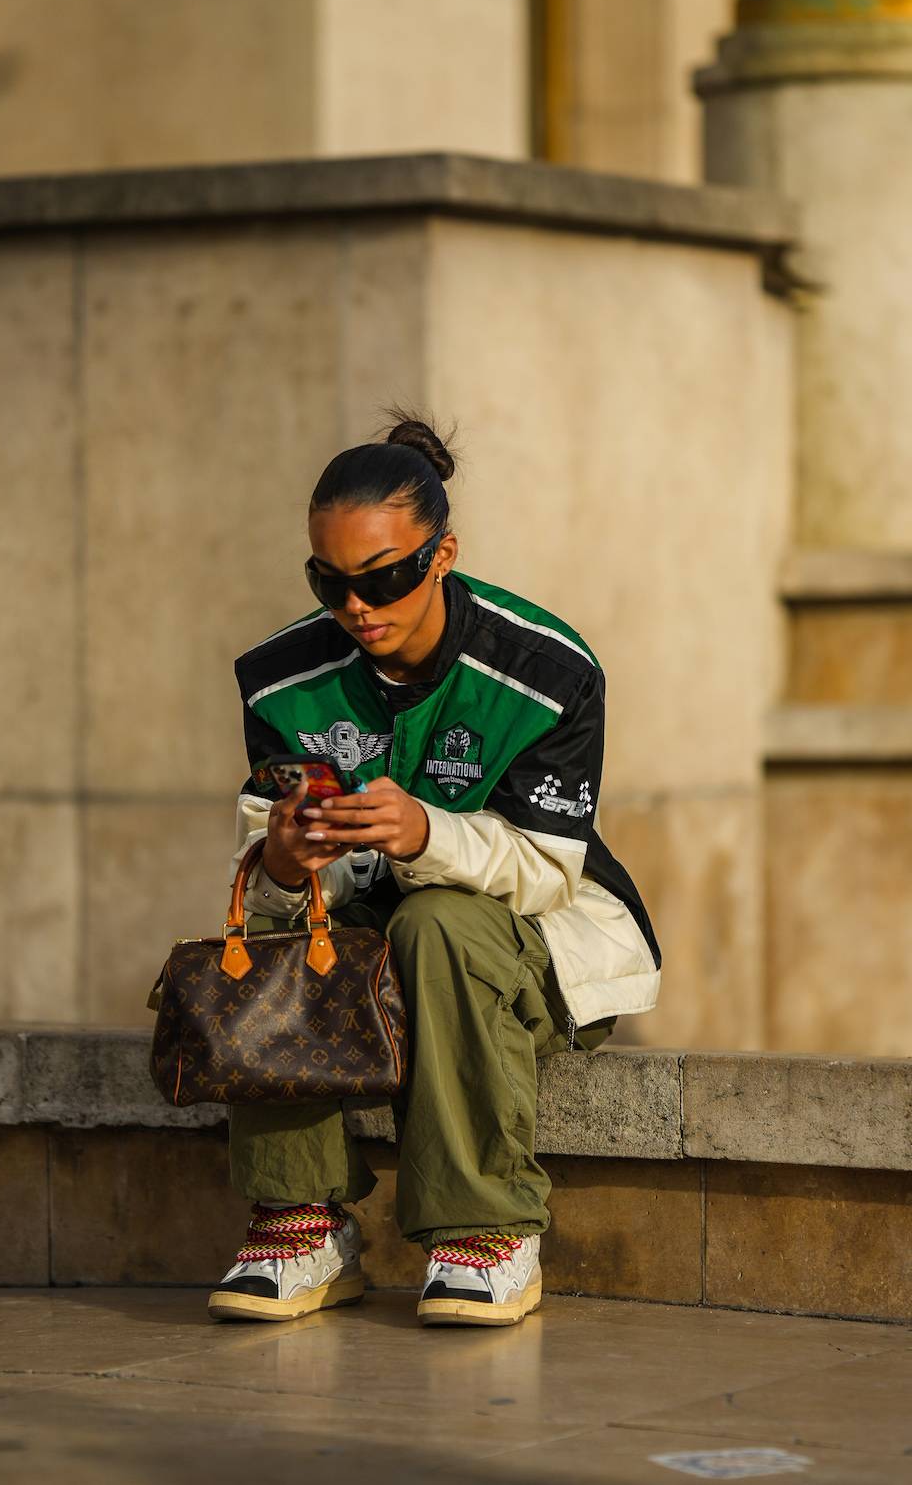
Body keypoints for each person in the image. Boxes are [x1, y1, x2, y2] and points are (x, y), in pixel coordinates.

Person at [209, 408, 662, 1329]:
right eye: (330, 584)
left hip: (532, 940)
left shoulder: (547, 672)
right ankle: (299, 1225)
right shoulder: (281, 678)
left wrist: (425, 833)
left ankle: (487, 1231)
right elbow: (271, 862)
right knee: (272, 912)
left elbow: (548, 873)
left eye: (387, 578)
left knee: (440, 919)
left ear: (443, 555)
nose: (359, 608)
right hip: (367, 945)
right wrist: (291, 861)